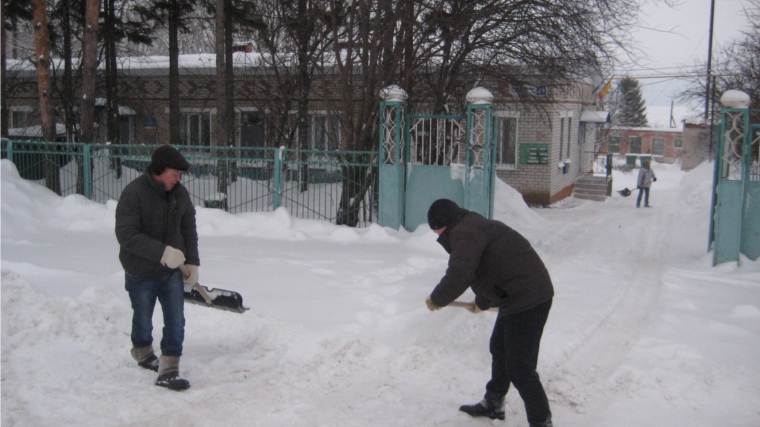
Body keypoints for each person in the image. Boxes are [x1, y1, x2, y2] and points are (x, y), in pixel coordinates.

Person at [424, 199, 554, 427]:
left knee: (520, 368)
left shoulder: (464, 233)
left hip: (528, 299)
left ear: (443, 224)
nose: (436, 234)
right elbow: (490, 269)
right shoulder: (469, 226)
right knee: (499, 348)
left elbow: (460, 274)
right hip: (517, 293)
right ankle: (494, 403)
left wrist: (437, 299)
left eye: (435, 229)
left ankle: (541, 422)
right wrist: (481, 302)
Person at [115, 145, 199, 391]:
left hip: (172, 272)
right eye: (175, 174)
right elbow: (126, 235)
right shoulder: (134, 193)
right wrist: (162, 252)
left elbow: (188, 229)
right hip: (141, 271)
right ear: (160, 171)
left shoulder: (180, 194)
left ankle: (169, 369)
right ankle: (142, 352)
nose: (178, 179)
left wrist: (192, 262)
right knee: (142, 318)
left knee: (176, 319)